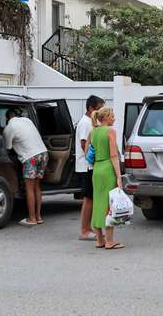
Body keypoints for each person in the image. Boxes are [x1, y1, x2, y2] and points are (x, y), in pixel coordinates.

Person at [3, 109, 49, 226]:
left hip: (30, 157)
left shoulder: (9, 128)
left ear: (7, 118)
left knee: (29, 188)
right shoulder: (27, 120)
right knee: (37, 186)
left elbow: (8, 147)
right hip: (43, 154)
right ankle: (38, 217)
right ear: (17, 116)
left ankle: (31, 218)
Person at [90, 107, 125, 250]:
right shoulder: (110, 131)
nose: (114, 118)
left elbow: (88, 152)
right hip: (107, 168)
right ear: (106, 118)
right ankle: (109, 241)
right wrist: (119, 176)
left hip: (97, 169)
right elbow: (113, 155)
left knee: (98, 202)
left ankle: (99, 240)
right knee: (109, 204)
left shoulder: (94, 132)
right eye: (112, 116)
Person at [75, 95, 105, 241]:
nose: (101, 112)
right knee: (89, 198)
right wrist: (95, 159)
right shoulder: (86, 123)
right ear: (91, 108)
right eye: (99, 109)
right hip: (86, 166)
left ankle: (88, 228)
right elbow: (84, 144)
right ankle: (84, 230)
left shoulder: (90, 122)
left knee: (91, 198)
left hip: (89, 166)